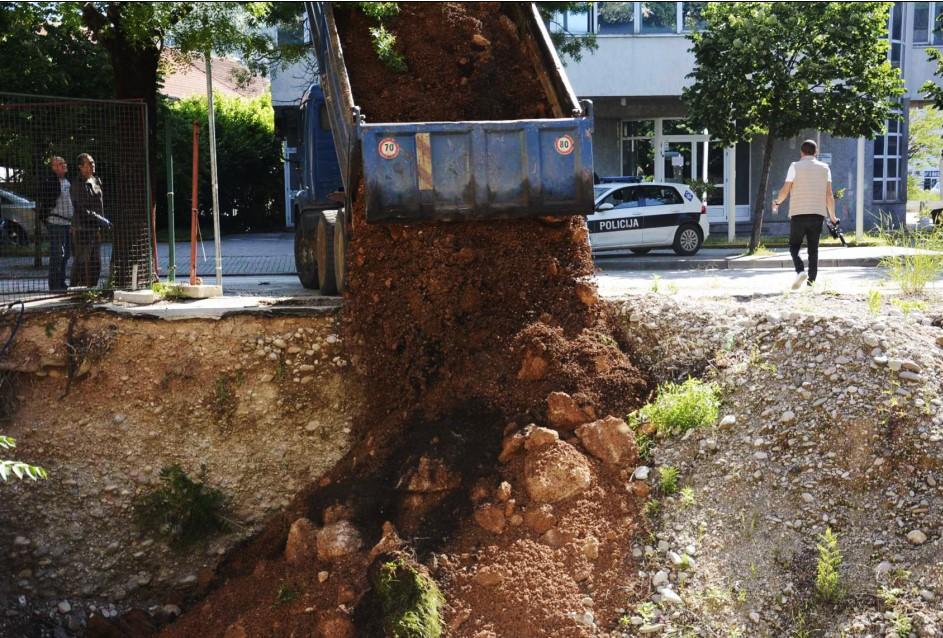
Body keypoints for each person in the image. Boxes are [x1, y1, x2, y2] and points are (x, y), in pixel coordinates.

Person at [772, 140, 838, 289]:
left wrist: (777, 203)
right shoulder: (825, 168)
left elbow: (785, 190)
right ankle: (811, 282)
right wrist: (832, 217)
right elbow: (829, 195)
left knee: (794, 246)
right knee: (813, 249)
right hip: (817, 214)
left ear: (801, 153)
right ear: (816, 152)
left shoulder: (794, 166)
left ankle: (800, 270)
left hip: (798, 214)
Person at [69, 153, 110, 288]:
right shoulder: (77, 184)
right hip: (82, 229)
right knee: (81, 261)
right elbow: (81, 208)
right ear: (81, 167)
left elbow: (99, 204)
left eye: (93, 162)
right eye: (89, 163)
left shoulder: (96, 180)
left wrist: (100, 222)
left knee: (95, 263)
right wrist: (100, 219)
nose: (93, 165)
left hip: (94, 228)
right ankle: (75, 288)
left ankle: (91, 289)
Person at [37, 156, 73, 291]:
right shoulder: (50, 182)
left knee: (66, 254)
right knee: (57, 254)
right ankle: (54, 285)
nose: (64, 165)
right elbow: (45, 201)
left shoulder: (67, 181)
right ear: (53, 168)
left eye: (64, 162)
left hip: (68, 223)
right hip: (55, 222)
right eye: (60, 164)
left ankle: (61, 282)